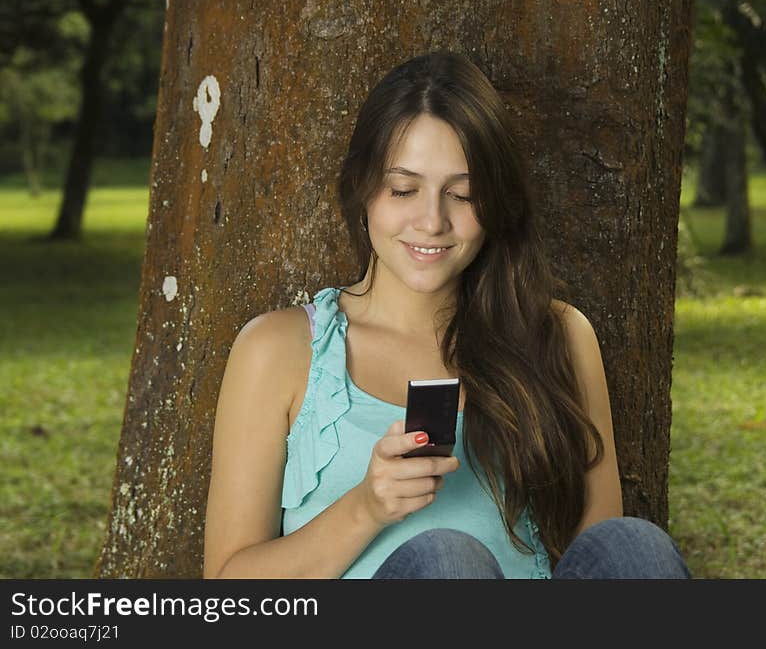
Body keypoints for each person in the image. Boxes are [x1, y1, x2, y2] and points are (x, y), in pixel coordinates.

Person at [203, 51, 690, 579]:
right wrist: (366, 508)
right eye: (404, 189)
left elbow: (592, 559)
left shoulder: (559, 336)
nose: (432, 221)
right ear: (362, 187)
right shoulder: (278, 349)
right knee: (447, 563)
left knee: (631, 546)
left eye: (462, 194)